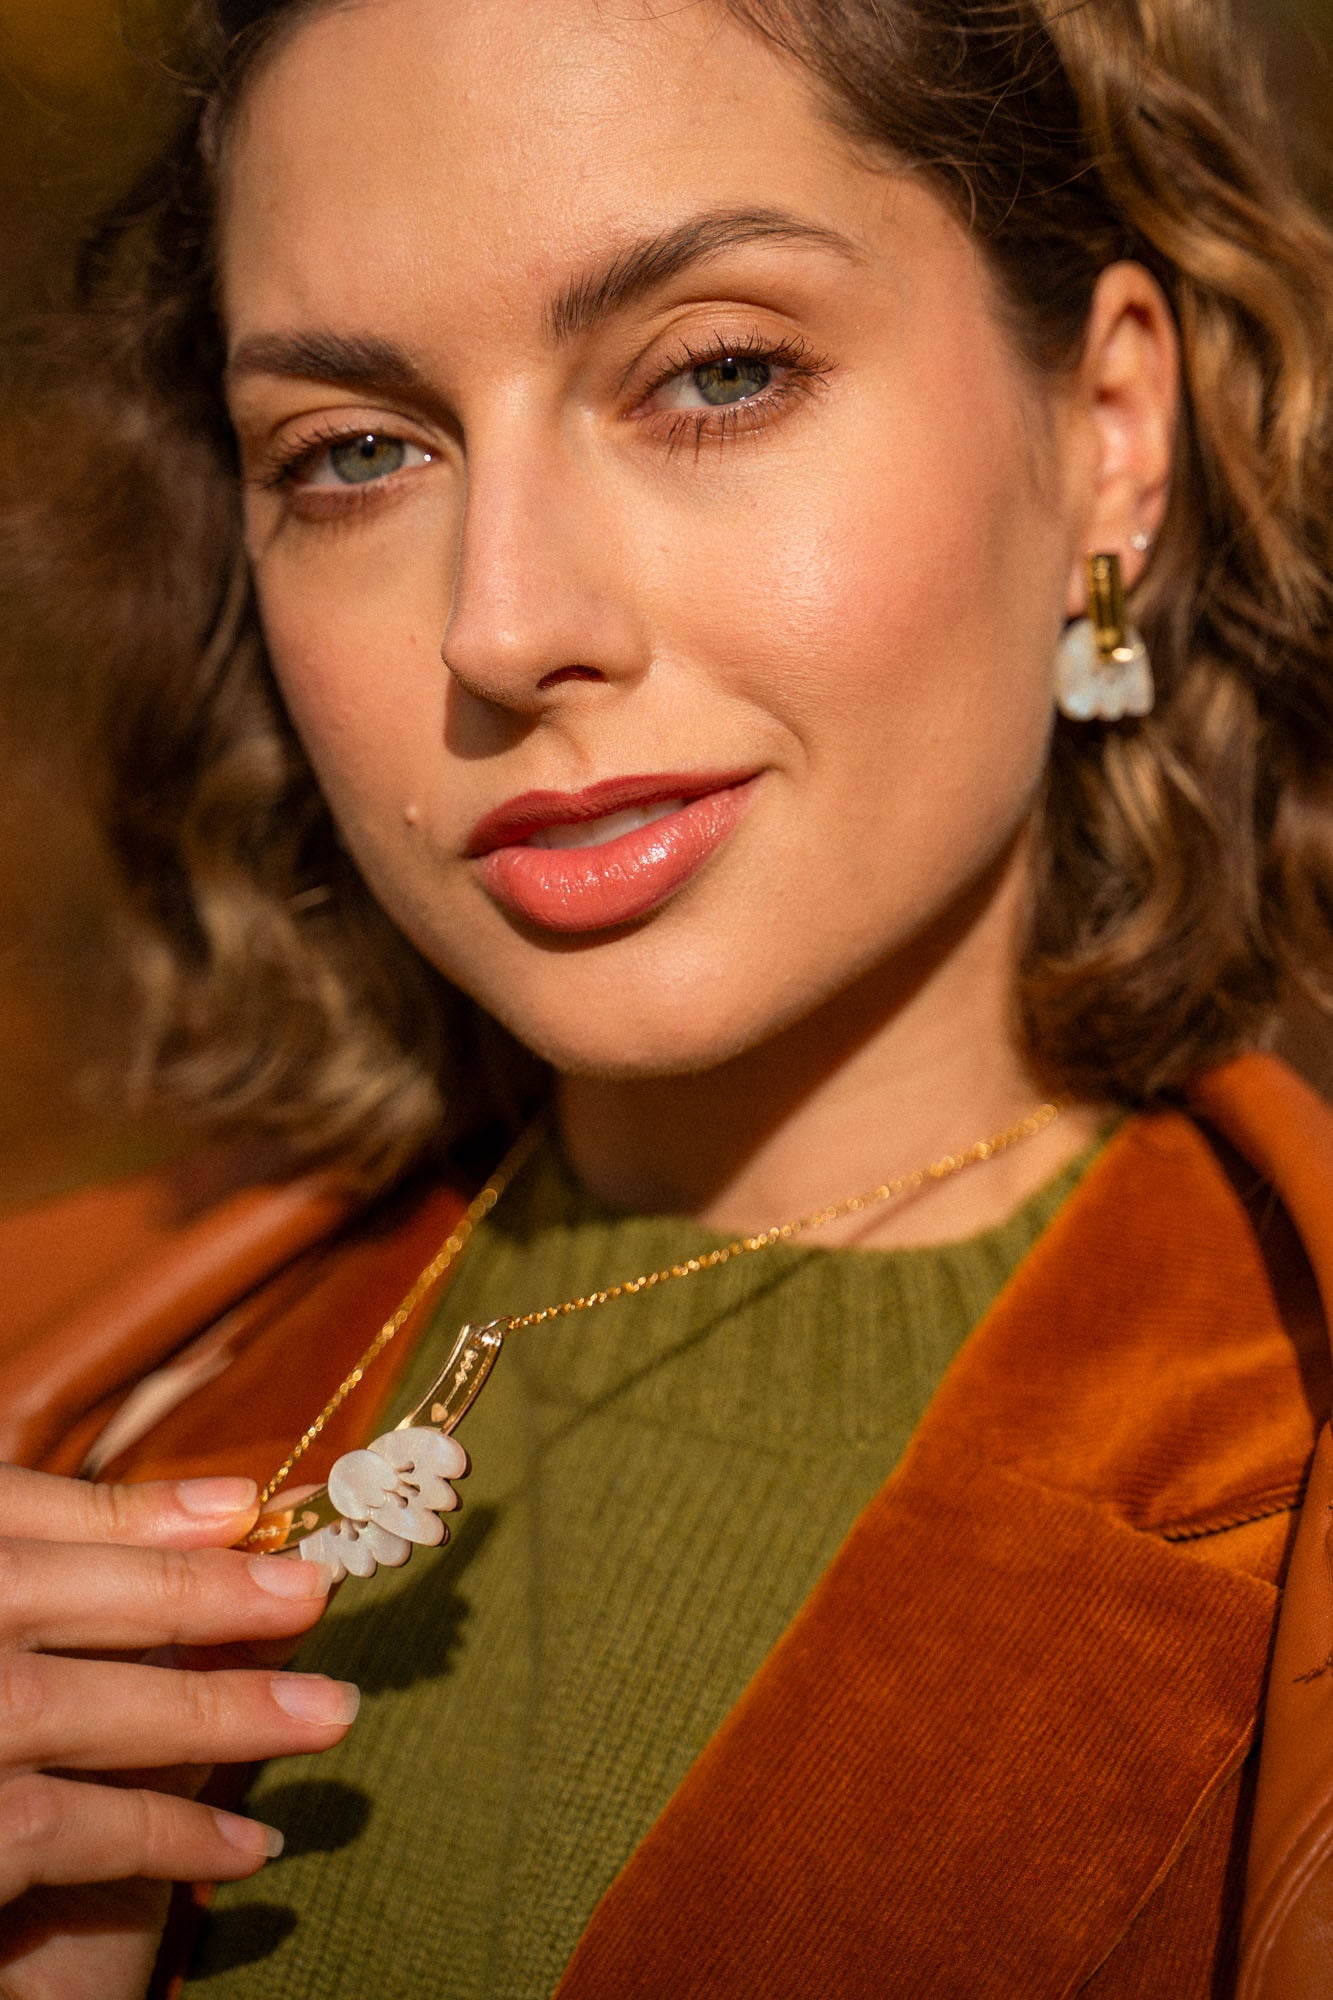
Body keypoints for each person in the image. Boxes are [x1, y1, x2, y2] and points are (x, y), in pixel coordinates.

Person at [1, 0, 1332, 1993]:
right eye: (354, 449)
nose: (505, 621)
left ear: (1106, 435)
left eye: (715, 372)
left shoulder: (1287, 1492)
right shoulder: (65, 1370)